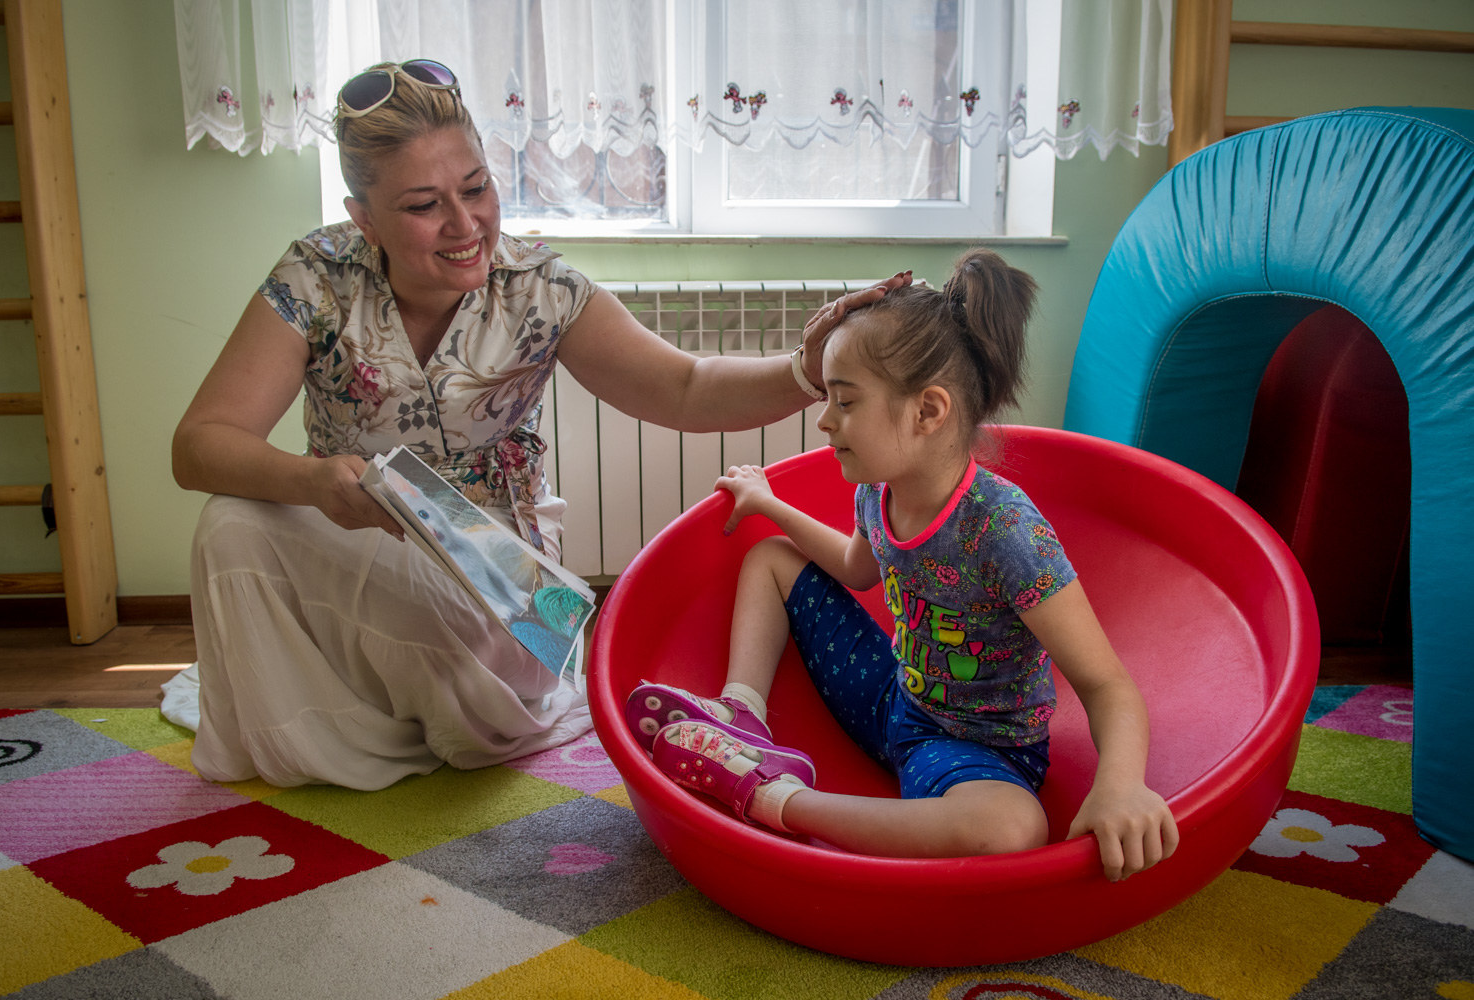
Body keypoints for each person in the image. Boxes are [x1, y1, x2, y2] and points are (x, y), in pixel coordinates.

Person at [170, 59, 909, 790]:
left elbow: (684, 387)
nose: (466, 225)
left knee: (457, 611)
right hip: (349, 543)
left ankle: (443, 705)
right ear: (363, 217)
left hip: (510, 590)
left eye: (476, 188)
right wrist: (313, 482)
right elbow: (199, 445)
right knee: (229, 524)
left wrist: (808, 368)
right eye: (424, 205)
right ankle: (316, 742)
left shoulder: (541, 287)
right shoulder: (313, 277)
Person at [624, 249, 1179, 882]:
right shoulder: (877, 489)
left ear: (928, 411)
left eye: (844, 401)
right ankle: (740, 715)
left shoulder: (1003, 531)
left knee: (1011, 828)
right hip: (894, 694)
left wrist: (1120, 786)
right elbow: (857, 567)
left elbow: (1107, 685)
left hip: (970, 750)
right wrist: (771, 507)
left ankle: (769, 795)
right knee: (770, 558)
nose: (824, 420)